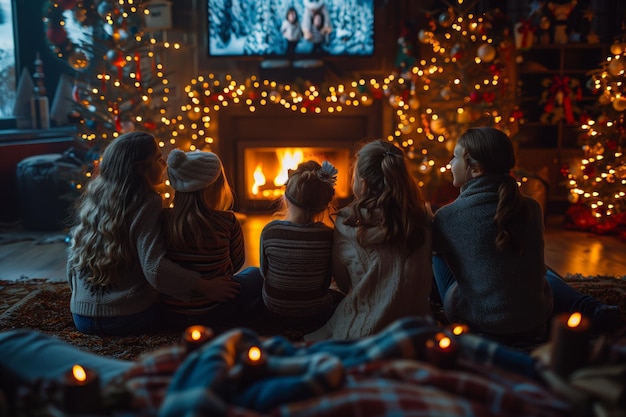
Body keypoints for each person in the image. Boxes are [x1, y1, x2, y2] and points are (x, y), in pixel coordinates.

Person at [432, 127, 621, 345]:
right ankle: (590, 308)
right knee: (540, 270)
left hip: (479, 325)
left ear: (475, 169)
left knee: (437, 253)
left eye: (454, 157)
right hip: (534, 324)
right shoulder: (532, 207)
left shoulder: (447, 217)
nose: (450, 164)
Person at [66, 131, 224, 336]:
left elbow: (72, 263)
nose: (165, 164)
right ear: (141, 169)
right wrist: (205, 286)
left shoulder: (95, 200)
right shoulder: (148, 203)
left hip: (81, 317)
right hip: (128, 319)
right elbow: (155, 268)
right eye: (158, 159)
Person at [305, 139, 433, 340]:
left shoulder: (347, 223)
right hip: (416, 332)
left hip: (364, 332)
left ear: (362, 183)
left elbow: (343, 284)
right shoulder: (423, 217)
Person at [162, 149, 263, 328]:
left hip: (171, 313)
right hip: (216, 311)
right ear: (215, 186)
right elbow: (236, 262)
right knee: (256, 274)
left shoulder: (163, 218)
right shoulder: (228, 220)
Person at [260, 160, 343, 327]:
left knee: (251, 275)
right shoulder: (328, 236)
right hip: (316, 315)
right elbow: (327, 278)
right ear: (325, 205)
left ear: (286, 198)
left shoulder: (270, 231)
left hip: (273, 310)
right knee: (342, 298)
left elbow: (264, 272)